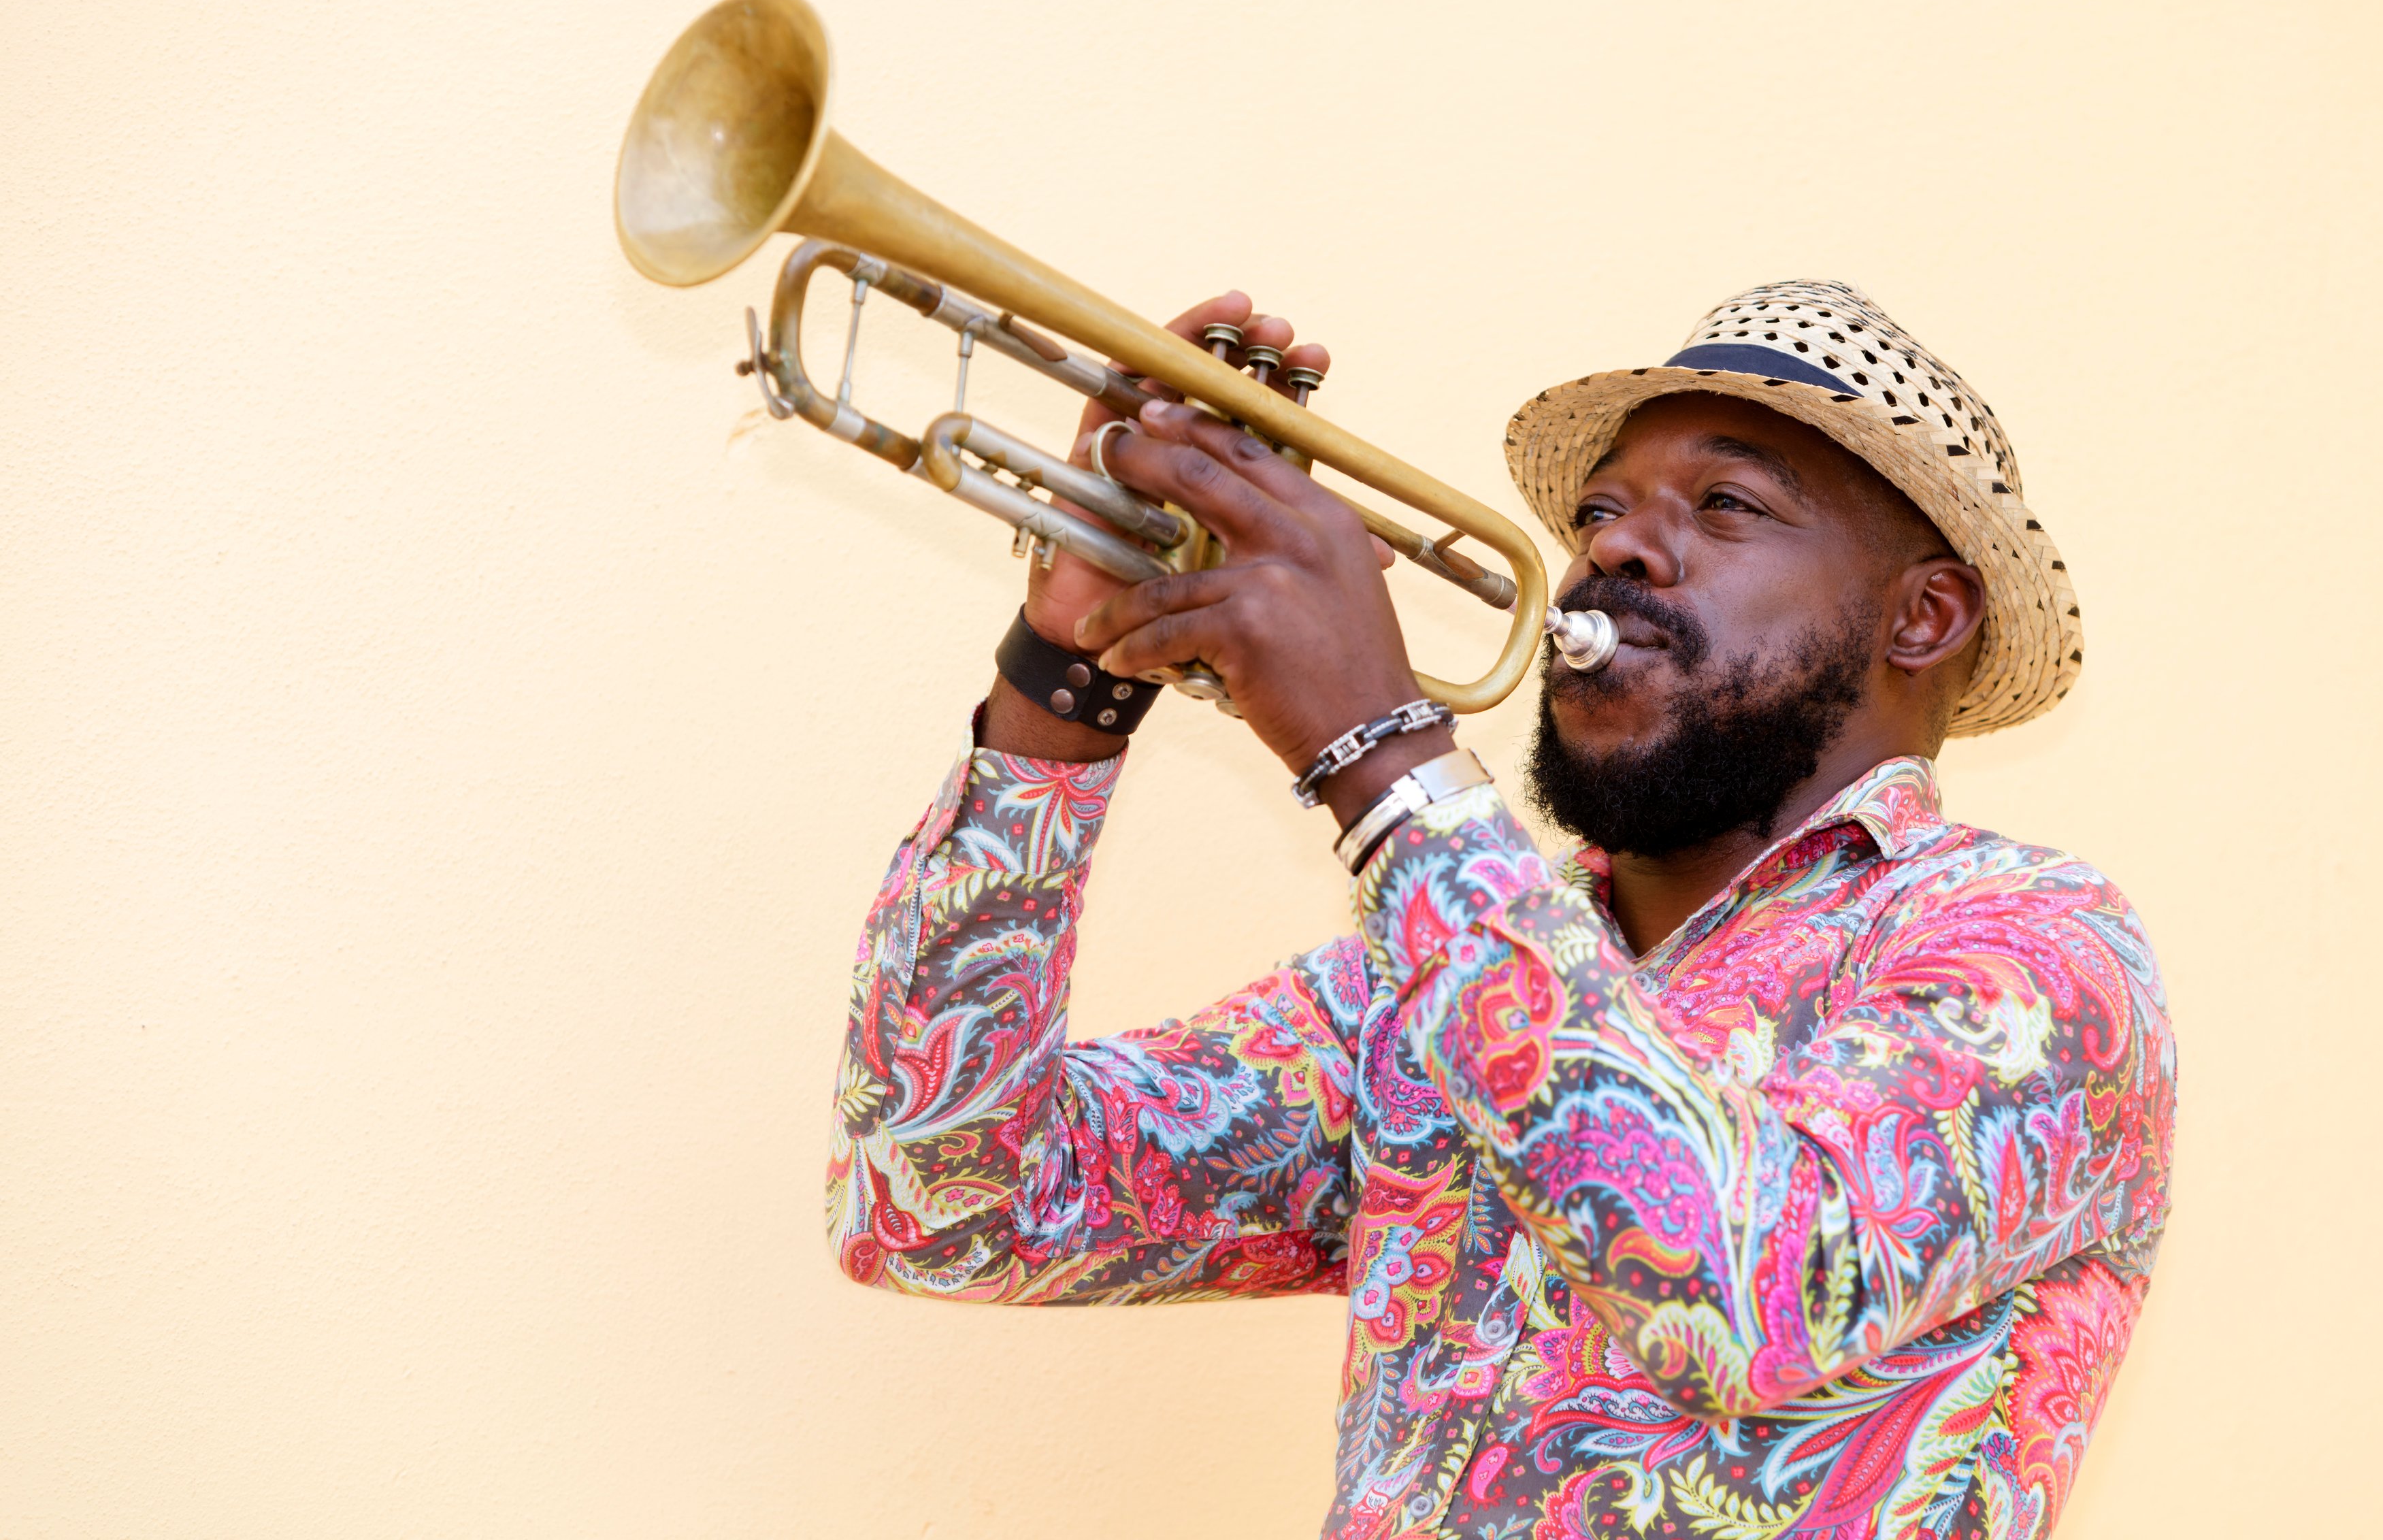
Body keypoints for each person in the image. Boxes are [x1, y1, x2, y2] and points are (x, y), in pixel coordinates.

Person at [825, 280, 2177, 1540]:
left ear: (1925, 618)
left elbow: (1740, 1277)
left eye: (1723, 505)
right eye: (1600, 511)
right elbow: (948, 1201)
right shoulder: (1423, 977)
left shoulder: (2036, 949)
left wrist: (1380, 749)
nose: (1618, 548)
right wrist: (1067, 677)